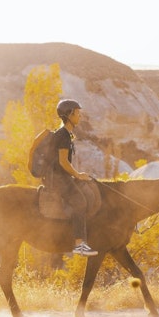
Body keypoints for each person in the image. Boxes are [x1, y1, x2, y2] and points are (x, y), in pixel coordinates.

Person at [46, 99, 98, 257]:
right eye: (77, 113)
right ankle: (79, 244)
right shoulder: (63, 135)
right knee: (80, 202)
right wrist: (77, 175)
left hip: (62, 176)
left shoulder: (65, 133)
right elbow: (63, 161)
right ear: (69, 114)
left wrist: (78, 175)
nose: (80, 116)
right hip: (58, 179)